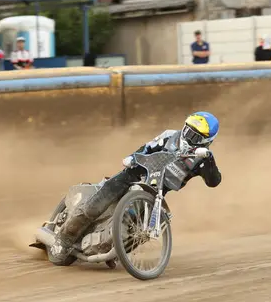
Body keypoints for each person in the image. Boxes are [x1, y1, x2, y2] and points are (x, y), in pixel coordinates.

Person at [48, 111, 222, 263]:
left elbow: (214, 181)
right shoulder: (169, 136)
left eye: (195, 136)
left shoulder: (202, 159)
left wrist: (209, 160)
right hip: (134, 174)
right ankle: (65, 238)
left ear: (207, 141)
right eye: (187, 130)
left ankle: (116, 249)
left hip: (155, 191)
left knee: (142, 227)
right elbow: (146, 148)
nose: (188, 136)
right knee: (97, 204)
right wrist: (132, 158)